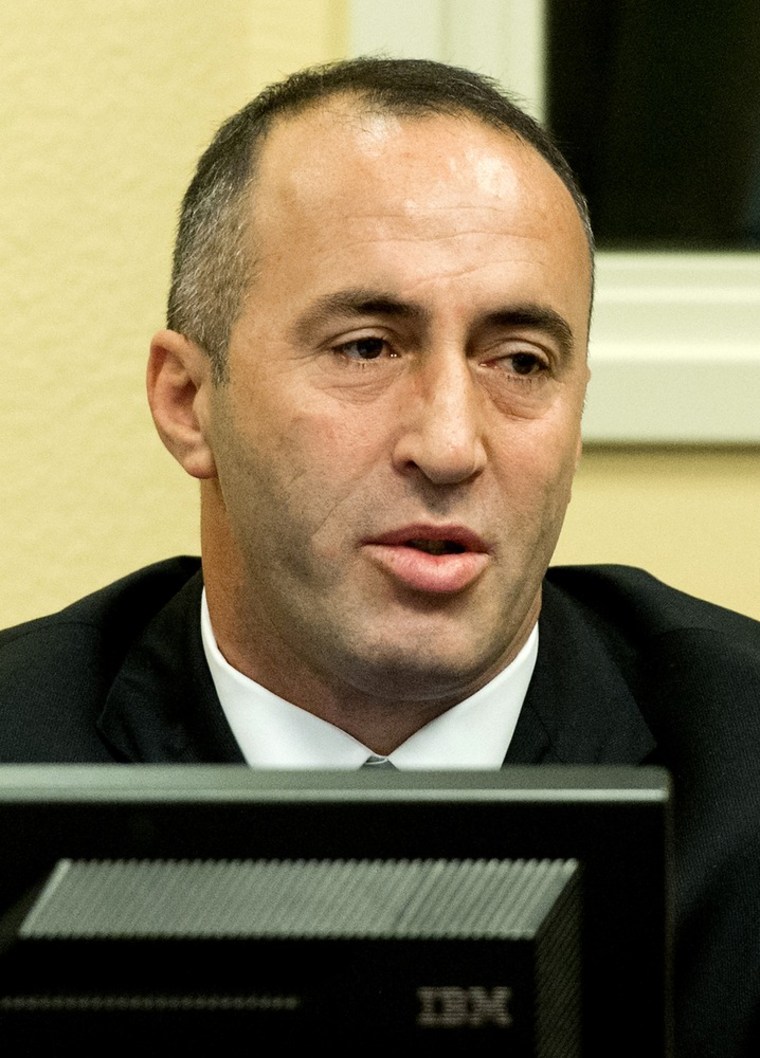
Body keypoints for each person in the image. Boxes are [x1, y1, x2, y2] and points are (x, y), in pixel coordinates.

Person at [0, 56, 758, 1056]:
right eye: (366, 346)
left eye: (520, 361)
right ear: (188, 402)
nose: (450, 442)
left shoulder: (741, 773)